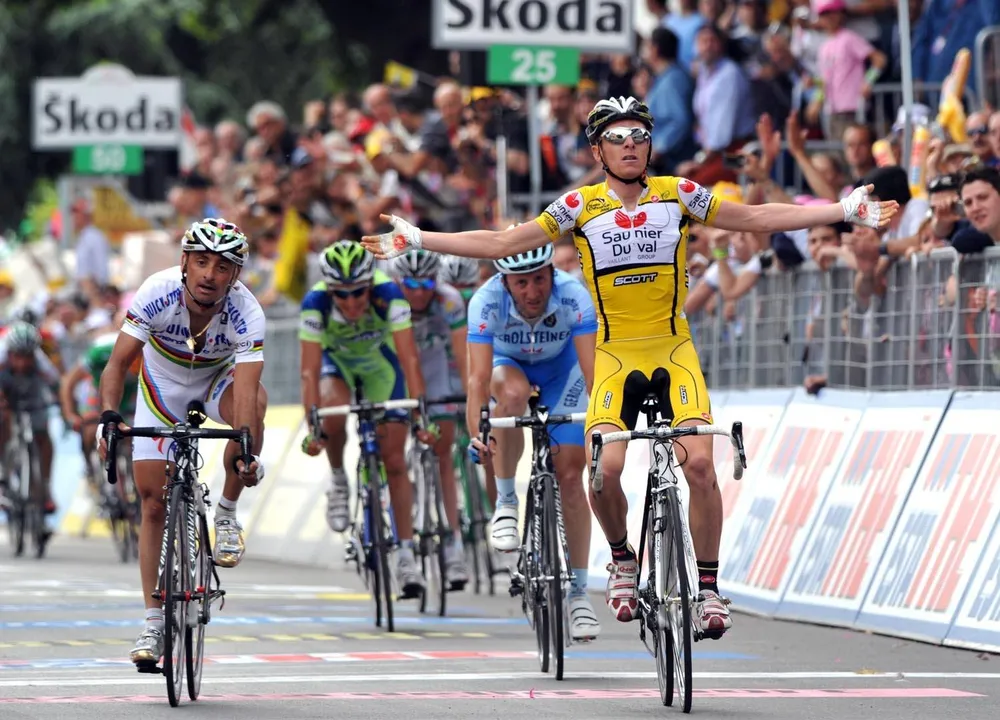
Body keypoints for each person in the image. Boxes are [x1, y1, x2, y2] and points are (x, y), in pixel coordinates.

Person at [362, 96, 897, 636]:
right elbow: (503, 242)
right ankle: (621, 557)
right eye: (617, 138)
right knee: (604, 472)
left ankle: (708, 589)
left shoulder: (678, 194)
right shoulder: (579, 205)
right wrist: (419, 238)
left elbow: (756, 217)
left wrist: (841, 210)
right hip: (616, 356)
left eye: (638, 135)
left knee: (700, 468)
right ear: (597, 149)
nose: (630, 146)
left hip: (673, 351)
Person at [95, 218, 268, 668]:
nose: (211, 273)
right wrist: (109, 417)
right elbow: (116, 365)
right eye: (202, 261)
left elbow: (247, 393)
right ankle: (153, 621)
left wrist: (246, 450)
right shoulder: (156, 291)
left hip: (217, 381)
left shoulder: (247, 312)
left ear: (236, 275)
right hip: (161, 387)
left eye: (224, 266)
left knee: (255, 408)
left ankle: (227, 515)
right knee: (152, 503)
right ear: (185, 263)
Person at [464, 243, 602, 641]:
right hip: (509, 369)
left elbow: (592, 374)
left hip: (564, 372)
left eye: (540, 279)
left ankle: (578, 593)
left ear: (551, 274)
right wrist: (478, 434)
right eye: (521, 283)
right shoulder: (485, 301)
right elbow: (477, 380)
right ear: (504, 281)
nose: (532, 291)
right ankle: (507, 502)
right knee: (511, 395)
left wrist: (600, 425)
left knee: (571, 477)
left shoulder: (573, 294)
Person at [299, 240, 435, 599]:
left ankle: (406, 553)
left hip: (381, 368)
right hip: (338, 366)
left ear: (370, 284)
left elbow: (409, 359)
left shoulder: (390, 295)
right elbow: (309, 373)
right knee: (331, 408)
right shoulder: (314, 303)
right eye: (340, 295)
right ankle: (340, 479)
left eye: (359, 292)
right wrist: (313, 428)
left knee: (394, 461)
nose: (351, 302)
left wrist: (420, 414)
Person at [388, 249, 470, 590]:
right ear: (398, 281)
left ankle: (454, 546)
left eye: (426, 284)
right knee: (391, 455)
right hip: (396, 377)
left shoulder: (449, 301)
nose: (419, 292)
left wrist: (472, 398)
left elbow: (464, 356)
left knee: (443, 454)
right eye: (411, 284)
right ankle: (402, 546)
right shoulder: (389, 299)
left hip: (436, 378)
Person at [59, 317, 140, 493]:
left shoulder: (140, 354)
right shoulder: (97, 354)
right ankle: (90, 467)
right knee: (88, 429)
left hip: (130, 391)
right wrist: (71, 415)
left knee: (133, 434)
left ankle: (135, 477)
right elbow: (68, 382)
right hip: (99, 391)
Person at [0, 322, 61, 526]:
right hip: (6, 390)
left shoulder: (41, 362)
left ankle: (44, 485)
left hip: (32, 396)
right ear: (9, 352)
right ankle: (3, 469)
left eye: (28, 356)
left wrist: (61, 404)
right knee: (4, 418)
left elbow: (57, 384)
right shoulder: (1, 356)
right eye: (18, 356)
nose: (23, 362)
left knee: (43, 432)